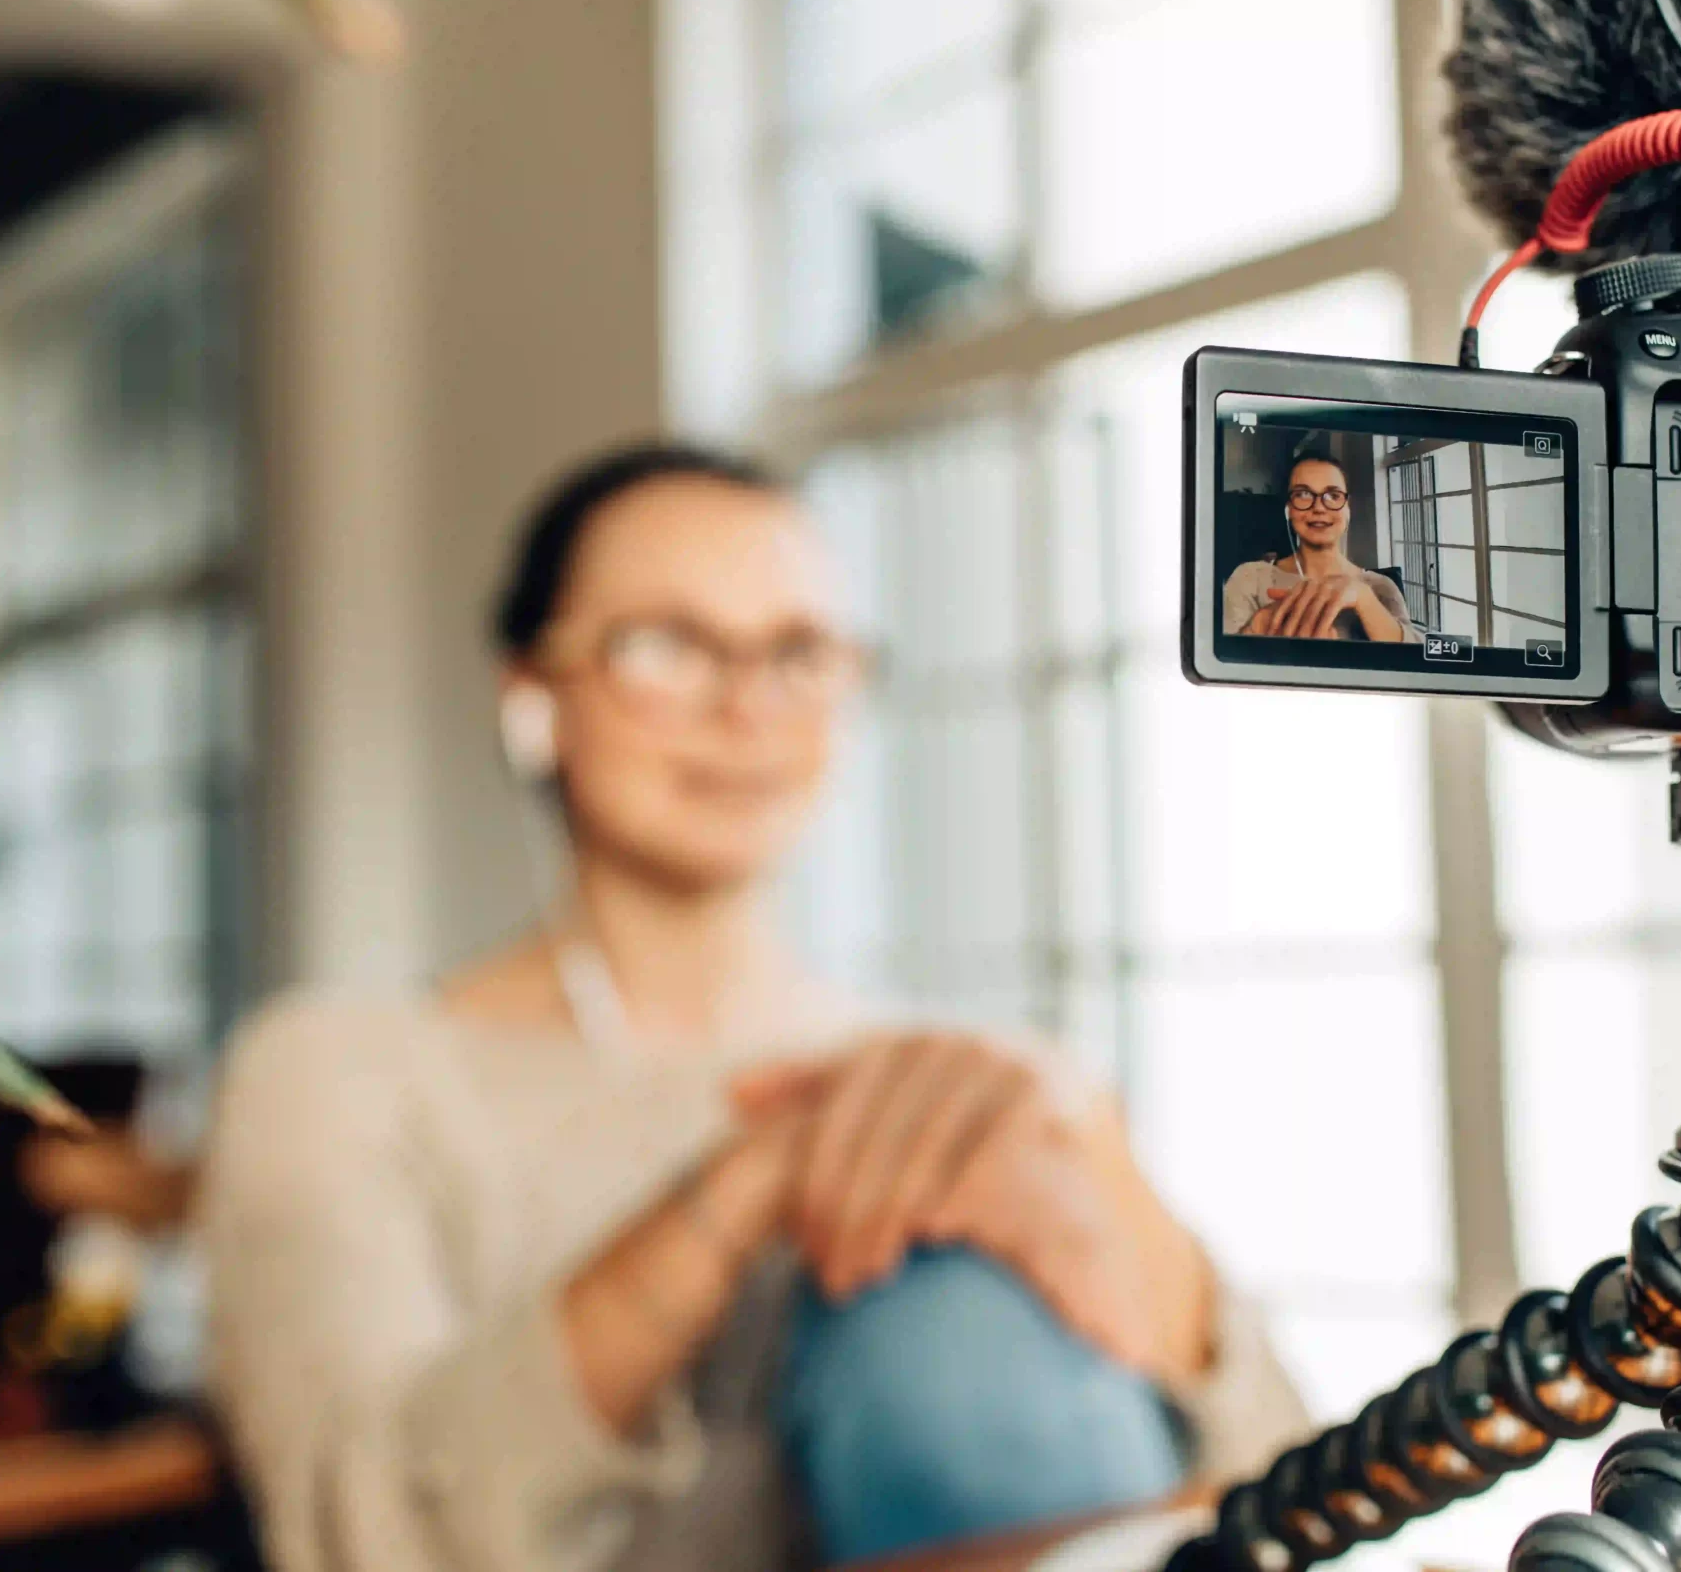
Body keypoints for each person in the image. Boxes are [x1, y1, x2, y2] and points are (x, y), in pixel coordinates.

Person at [198, 445, 1309, 1572]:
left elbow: (1303, 1494)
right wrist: (758, 1176)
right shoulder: (342, 1074)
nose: (747, 706)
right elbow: (362, 1536)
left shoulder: (973, 1080)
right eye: (666, 646)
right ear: (531, 690)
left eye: (799, 652)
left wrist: (1091, 1163)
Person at [1222, 448, 1419, 642]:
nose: (1318, 507)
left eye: (1333, 495)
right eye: (1303, 494)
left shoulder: (1381, 588)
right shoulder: (1250, 578)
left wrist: (1364, 599)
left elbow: (1417, 658)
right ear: (1288, 509)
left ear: (1348, 508)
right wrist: (1255, 629)